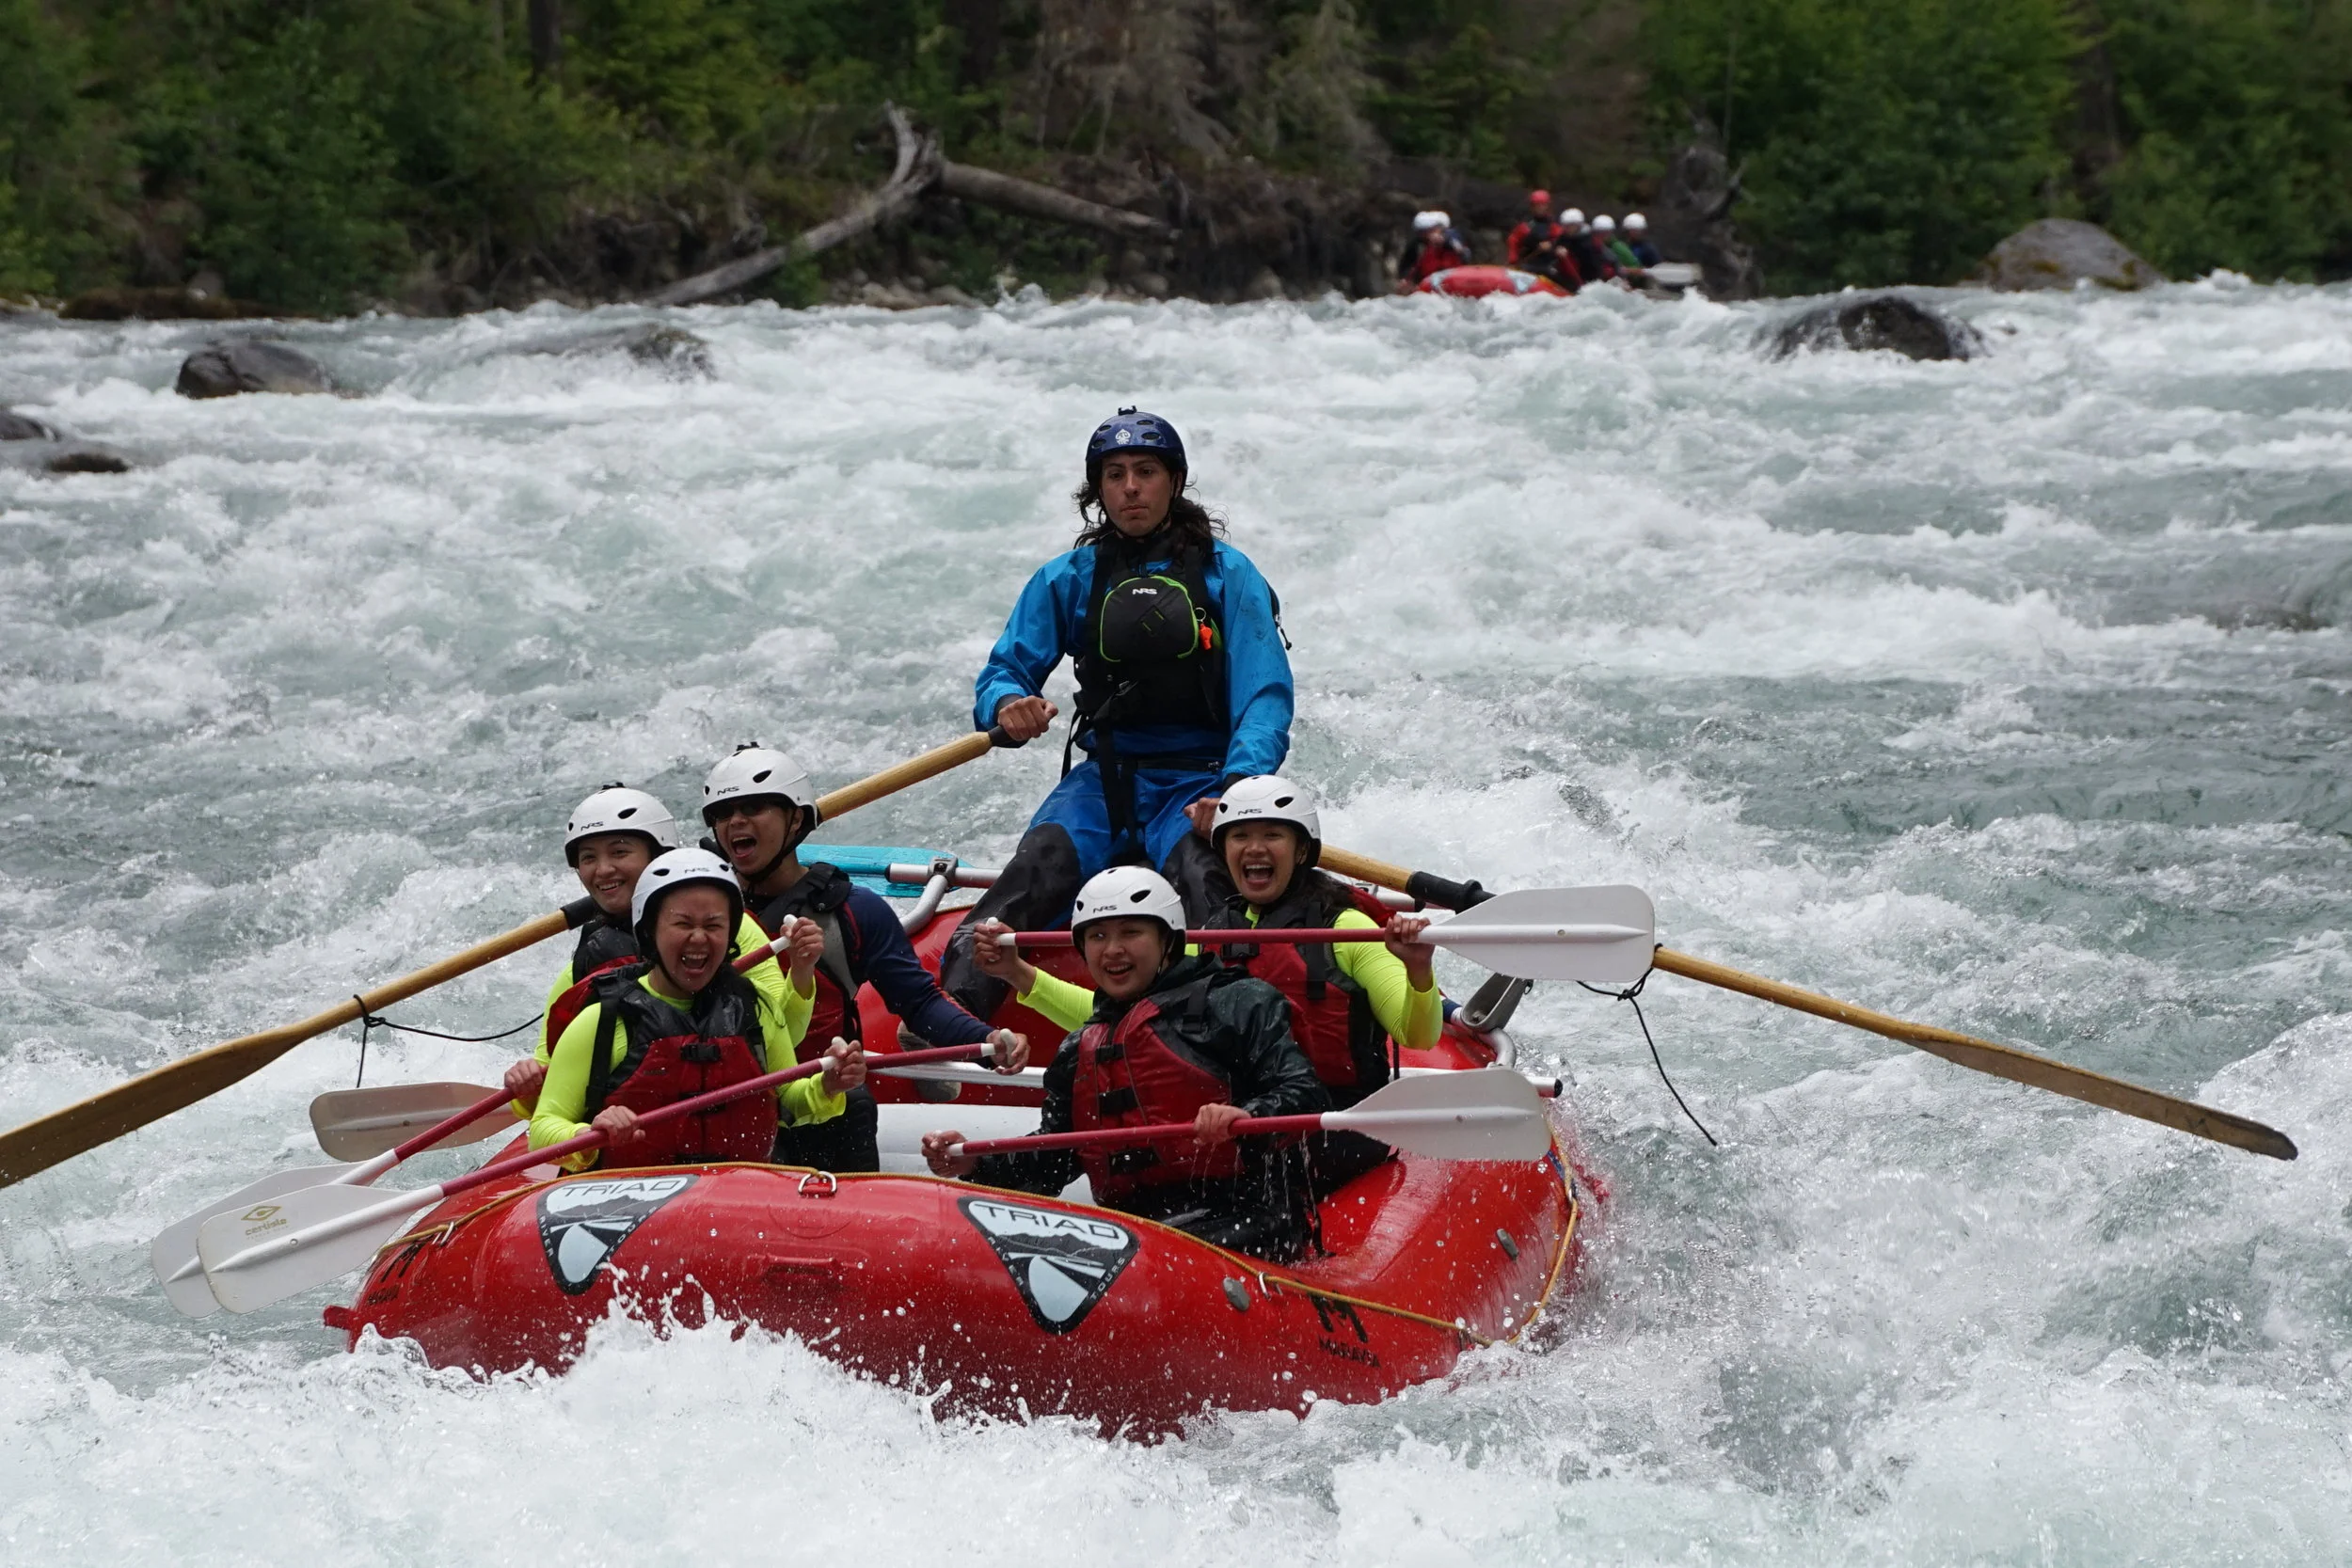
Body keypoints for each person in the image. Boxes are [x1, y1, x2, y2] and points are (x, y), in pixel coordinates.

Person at [938, 407, 1293, 1022]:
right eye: (1115, 474)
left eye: (1146, 471)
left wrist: (1236, 795)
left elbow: (1264, 697)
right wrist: (1008, 706)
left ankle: (1231, 1032)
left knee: (1206, 886)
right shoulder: (1069, 578)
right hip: (1104, 782)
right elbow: (1004, 672)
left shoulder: (1230, 575)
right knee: (1035, 868)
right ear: (1098, 490)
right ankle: (951, 1021)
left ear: (1173, 482)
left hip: (1201, 782)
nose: (1131, 487)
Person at [971, 774, 1438, 1194]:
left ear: (1300, 851)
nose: (1254, 848)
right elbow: (1128, 1022)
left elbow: (1416, 1034)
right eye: (1240, 836)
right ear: (1223, 849)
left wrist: (1418, 972)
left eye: (1272, 835)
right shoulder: (1213, 934)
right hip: (1234, 1128)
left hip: (1331, 1125)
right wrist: (1018, 973)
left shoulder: (1346, 928)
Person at [921, 868, 1328, 1261]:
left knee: (1155, 1259)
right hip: (1134, 1234)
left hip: (1249, 1222)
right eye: (1097, 936)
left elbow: (1306, 1095)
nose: (1112, 950)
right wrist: (974, 1162)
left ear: (1168, 941)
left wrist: (1248, 1116)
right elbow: (1053, 1160)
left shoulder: (1238, 1002)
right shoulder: (1079, 1048)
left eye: (1131, 932)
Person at [701, 743, 1028, 1172]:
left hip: (827, 1102)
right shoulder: (695, 913)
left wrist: (988, 1042)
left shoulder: (853, 911)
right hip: (727, 1109)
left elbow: (920, 1003)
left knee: (852, 1103)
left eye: (753, 808)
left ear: (796, 819)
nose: (735, 823)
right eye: (723, 814)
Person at [530, 847, 859, 1172]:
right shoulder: (603, 1020)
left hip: (737, 1194)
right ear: (650, 931)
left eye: (714, 926)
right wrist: (587, 1134)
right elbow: (543, 1130)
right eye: (683, 924)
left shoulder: (755, 1008)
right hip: (626, 1200)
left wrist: (828, 1085)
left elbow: (788, 1097)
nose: (699, 938)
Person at [503, 784, 784, 1113]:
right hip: (628, 1130)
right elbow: (548, 1098)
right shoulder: (584, 967)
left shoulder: (723, 927)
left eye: (620, 852)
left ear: (659, 857)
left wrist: (803, 978)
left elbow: (779, 1027)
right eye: (589, 858)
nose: (603, 870)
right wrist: (527, 1090)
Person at [1395, 211, 1471, 291]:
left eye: (1429, 230)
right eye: (1422, 232)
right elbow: (1407, 265)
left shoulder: (1451, 236)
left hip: (1454, 278)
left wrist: (1446, 241)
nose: (1426, 235)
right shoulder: (1418, 246)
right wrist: (1405, 279)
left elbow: (1464, 253)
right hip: (1429, 282)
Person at [1562, 210, 1614, 289]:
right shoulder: (1564, 237)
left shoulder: (1588, 243)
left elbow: (1594, 266)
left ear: (1579, 225)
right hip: (1570, 277)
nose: (1569, 228)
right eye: (1567, 226)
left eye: (1572, 225)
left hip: (1588, 279)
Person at [1506, 190, 1559, 266]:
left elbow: (1560, 239)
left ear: (1547, 206)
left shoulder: (1553, 225)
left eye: (1543, 205)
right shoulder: (1525, 226)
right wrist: (1513, 259)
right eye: (1537, 205)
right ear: (1532, 207)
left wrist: (1551, 244)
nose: (1540, 208)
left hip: (1548, 264)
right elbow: (1513, 241)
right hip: (1528, 264)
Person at [1593, 214, 1645, 282]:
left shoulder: (1618, 247)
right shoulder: (1596, 246)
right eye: (1599, 233)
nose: (1602, 236)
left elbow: (1636, 267)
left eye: (1605, 232)